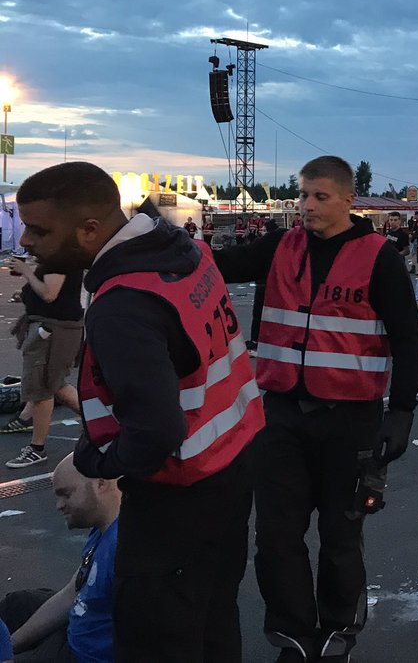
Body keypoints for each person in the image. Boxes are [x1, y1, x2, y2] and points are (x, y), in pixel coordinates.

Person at [17, 161, 264, 660]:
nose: (26, 240)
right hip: (231, 466)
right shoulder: (185, 252)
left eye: (40, 229)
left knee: (159, 637)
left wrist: (97, 461)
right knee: (214, 620)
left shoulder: (123, 302)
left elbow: (155, 431)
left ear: (90, 230)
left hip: (177, 496)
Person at [213, 155, 418, 661]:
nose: (307, 205)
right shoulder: (281, 246)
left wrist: (401, 413)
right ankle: (293, 635)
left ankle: (336, 633)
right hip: (281, 415)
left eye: (320, 196)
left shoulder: (378, 256)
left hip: (350, 422)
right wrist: (160, 245)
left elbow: (408, 339)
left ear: (349, 200)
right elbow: (217, 265)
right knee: (276, 537)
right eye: (303, 195)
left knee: (339, 535)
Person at [1, 454, 120, 662]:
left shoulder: (123, 550)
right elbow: (71, 593)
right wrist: (11, 644)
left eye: (66, 494)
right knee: (16, 604)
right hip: (79, 625)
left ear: (101, 484)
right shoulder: (103, 529)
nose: (59, 505)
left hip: (85, 654)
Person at [1, 257, 82, 469]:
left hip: (51, 330)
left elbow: (49, 294)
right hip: (52, 328)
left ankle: (37, 449)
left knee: (42, 387)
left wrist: (26, 271)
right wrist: (26, 292)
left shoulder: (59, 258)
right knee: (54, 384)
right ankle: (102, 420)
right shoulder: (54, 257)